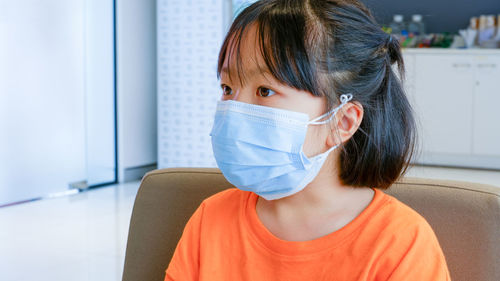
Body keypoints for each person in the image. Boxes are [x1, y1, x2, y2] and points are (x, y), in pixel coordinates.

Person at [165, 0, 451, 280]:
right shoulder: (209, 220)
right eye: (227, 88)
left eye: (265, 91)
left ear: (342, 121)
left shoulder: (401, 244)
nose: (234, 109)